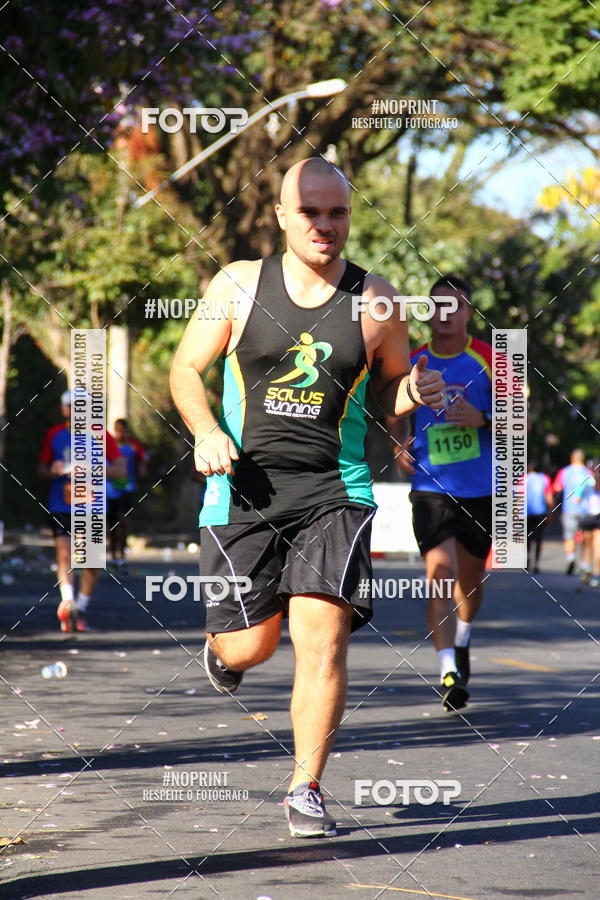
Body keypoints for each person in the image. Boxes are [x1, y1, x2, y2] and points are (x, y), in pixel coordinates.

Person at [169, 156, 445, 838]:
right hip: (243, 492)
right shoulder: (237, 284)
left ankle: (306, 786)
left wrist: (409, 393)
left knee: (321, 643)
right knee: (250, 648)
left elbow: (387, 388)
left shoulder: (377, 301)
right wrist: (205, 431)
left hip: (335, 490)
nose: (325, 225)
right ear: (283, 217)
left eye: (338, 212)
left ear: (350, 216)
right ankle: (222, 652)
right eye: (312, 212)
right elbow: (185, 368)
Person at [388, 275, 492, 713]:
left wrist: (483, 419)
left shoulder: (491, 359)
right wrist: (397, 441)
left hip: (483, 489)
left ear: (469, 312)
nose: (446, 315)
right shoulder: (414, 359)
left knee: (469, 583)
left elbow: (521, 422)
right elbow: (388, 405)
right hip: (431, 486)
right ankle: (449, 671)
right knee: (441, 575)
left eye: (456, 306)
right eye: (437, 307)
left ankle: (462, 638)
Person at [38, 390, 126, 631]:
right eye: (72, 407)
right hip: (62, 503)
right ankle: (68, 602)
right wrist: (54, 470)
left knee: (93, 560)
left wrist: (93, 468)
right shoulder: (54, 435)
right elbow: (41, 470)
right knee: (64, 553)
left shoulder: (101, 436)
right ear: (65, 409)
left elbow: (120, 470)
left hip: (93, 504)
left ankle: (82, 607)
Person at [107, 418, 149, 575]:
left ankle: (123, 557)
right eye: (117, 429)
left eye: (122, 430)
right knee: (112, 525)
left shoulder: (132, 444)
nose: (120, 433)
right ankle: (113, 557)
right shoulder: (109, 443)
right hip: (110, 488)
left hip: (127, 487)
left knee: (123, 520)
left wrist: (142, 470)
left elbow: (144, 458)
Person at [552, 450, 595, 574]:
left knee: (569, 536)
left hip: (569, 509)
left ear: (571, 458)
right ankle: (585, 563)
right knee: (586, 538)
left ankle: (570, 558)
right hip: (586, 511)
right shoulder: (588, 472)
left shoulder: (564, 472)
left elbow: (557, 488)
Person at [575, 462, 600, 587]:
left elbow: (577, 499)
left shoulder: (587, 482)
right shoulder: (587, 483)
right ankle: (587, 567)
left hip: (595, 517)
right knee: (589, 545)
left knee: (596, 546)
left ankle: (595, 573)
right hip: (588, 517)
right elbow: (577, 498)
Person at [526, 460, 553, 573]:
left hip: (525, 513)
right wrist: (551, 511)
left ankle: (527, 560)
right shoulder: (544, 478)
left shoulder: (523, 479)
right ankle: (536, 563)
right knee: (539, 539)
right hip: (541, 512)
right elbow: (549, 497)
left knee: (527, 538)